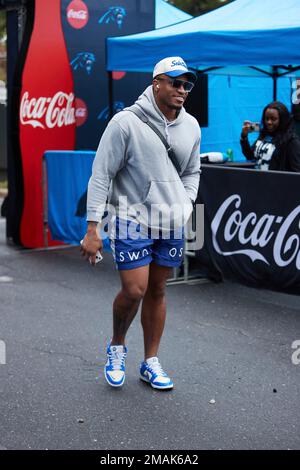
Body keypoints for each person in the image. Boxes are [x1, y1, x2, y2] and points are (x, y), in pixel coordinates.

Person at [80, 56, 201, 390]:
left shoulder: (191, 126)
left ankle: (150, 362)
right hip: (131, 217)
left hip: (172, 220)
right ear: (156, 83)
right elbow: (101, 174)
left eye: (186, 84)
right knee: (135, 289)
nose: (181, 89)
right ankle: (117, 346)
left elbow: (192, 170)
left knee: (158, 290)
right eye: (174, 82)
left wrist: (186, 201)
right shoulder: (125, 122)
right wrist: (93, 228)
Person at [240, 101, 300, 172]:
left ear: (282, 120)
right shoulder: (264, 135)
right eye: (266, 118)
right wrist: (244, 136)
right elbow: (250, 156)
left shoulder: (291, 140)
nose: (269, 122)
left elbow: (297, 171)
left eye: (273, 119)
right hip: (258, 181)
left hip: (276, 182)